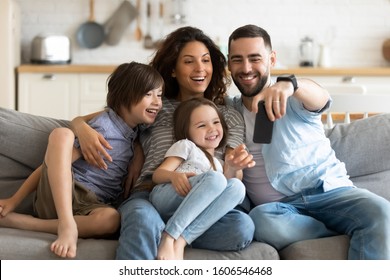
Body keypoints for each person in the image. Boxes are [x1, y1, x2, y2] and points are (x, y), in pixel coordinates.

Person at [71, 26, 256, 260]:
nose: (200, 68)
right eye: (189, 61)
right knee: (142, 218)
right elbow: (111, 118)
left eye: (206, 60)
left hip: (203, 200)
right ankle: (157, 230)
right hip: (150, 195)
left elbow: (231, 177)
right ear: (173, 70)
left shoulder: (227, 115)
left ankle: (172, 235)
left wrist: (234, 167)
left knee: (241, 227)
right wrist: (80, 126)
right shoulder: (156, 104)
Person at [226, 24, 390, 259]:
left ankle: (351, 227)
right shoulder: (230, 112)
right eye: (237, 60)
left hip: (330, 192)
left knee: (381, 211)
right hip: (281, 210)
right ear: (229, 63)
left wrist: (290, 83)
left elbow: (322, 98)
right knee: (260, 221)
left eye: (255, 58)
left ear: (271, 60)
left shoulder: (293, 97)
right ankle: (339, 231)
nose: (246, 68)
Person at [0, 61, 164, 258]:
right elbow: (52, 165)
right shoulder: (103, 127)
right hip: (65, 192)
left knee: (112, 219)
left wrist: (138, 148)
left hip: (91, 204)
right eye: (149, 94)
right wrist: (14, 199)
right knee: (62, 134)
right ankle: (66, 224)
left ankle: (24, 223)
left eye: (159, 95)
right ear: (125, 96)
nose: (157, 102)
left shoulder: (136, 131)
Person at [150, 98, 253, 259]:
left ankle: (181, 240)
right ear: (187, 131)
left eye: (216, 122)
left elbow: (223, 193)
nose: (211, 129)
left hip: (193, 210)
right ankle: (168, 235)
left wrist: (232, 168)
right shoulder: (187, 146)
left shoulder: (218, 164)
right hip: (169, 195)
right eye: (202, 125)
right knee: (217, 179)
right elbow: (158, 174)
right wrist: (174, 176)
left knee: (237, 187)